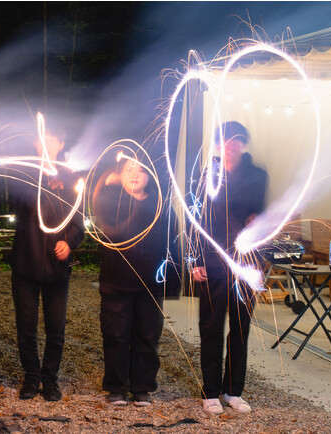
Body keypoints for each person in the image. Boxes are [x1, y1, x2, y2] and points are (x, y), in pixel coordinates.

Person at [190, 121, 268, 414]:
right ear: (218, 144)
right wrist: (195, 259)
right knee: (210, 326)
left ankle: (233, 391)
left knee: (240, 327)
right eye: (225, 140)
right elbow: (194, 218)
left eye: (237, 140)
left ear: (243, 144)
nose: (231, 145)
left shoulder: (258, 176)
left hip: (244, 261)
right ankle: (210, 392)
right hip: (211, 260)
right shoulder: (206, 175)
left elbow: (260, 214)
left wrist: (257, 220)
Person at [10, 130, 85, 401]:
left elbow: (79, 222)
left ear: (61, 143)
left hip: (57, 268)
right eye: (41, 139)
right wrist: (41, 178)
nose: (46, 144)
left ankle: (50, 378)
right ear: (34, 142)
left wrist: (69, 243)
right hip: (25, 264)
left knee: (56, 329)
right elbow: (18, 204)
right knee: (26, 327)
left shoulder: (72, 176)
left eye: (52, 139)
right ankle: (31, 377)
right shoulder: (25, 173)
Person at [94, 158, 171, 406]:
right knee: (116, 335)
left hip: (150, 284)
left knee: (147, 337)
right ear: (119, 175)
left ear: (149, 175)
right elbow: (98, 202)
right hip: (116, 282)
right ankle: (116, 387)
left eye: (140, 170)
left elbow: (171, 240)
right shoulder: (112, 199)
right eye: (129, 170)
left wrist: (169, 279)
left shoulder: (159, 205)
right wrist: (109, 178)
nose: (135, 174)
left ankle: (142, 387)